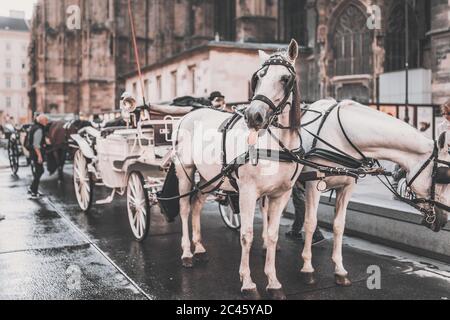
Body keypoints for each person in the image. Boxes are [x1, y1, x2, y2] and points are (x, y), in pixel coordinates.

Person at [28, 114, 49, 199]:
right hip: (36, 153)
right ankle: (34, 191)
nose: (47, 122)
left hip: (34, 153)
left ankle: (32, 188)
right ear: (42, 121)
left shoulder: (35, 127)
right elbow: (36, 145)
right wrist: (39, 156)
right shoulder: (39, 130)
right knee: (40, 171)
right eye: (46, 120)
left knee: (38, 171)